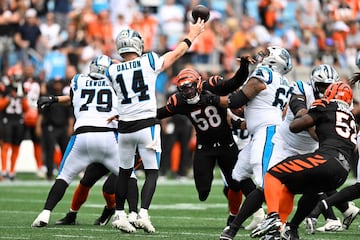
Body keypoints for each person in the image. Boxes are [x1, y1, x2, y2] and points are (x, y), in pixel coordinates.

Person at [106, 19, 205, 234]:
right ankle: (143, 213)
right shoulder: (148, 60)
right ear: (137, 45)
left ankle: (120, 214)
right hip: (146, 124)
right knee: (152, 172)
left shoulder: (111, 71)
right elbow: (177, 53)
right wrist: (193, 33)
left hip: (124, 126)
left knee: (124, 172)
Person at [157, 59, 258, 227]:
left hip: (227, 145)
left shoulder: (212, 86)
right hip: (204, 148)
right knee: (203, 192)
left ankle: (235, 216)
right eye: (183, 89)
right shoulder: (179, 102)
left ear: (198, 83)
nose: (188, 92)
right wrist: (131, 117)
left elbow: (236, 82)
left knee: (236, 183)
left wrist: (244, 66)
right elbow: (159, 113)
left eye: (190, 87)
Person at [250, 81, 357, 240]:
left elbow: (295, 126)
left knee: (273, 174)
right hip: (343, 172)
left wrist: (305, 111)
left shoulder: (325, 105)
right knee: (303, 190)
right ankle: (289, 230)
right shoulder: (351, 118)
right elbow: (353, 148)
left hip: (327, 159)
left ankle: (273, 217)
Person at [31, 55, 119, 227]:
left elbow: (74, 98)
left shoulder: (79, 80)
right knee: (126, 177)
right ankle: (131, 215)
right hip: (111, 136)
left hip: (84, 134)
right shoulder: (117, 82)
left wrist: (53, 99)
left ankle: (45, 213)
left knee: (64, 177)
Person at [218, 46, 293, 240]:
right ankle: (236, 226)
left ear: (275, 61)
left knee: (265, 180)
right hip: (263, 130)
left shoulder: (265, 73)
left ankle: (276, 221)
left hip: (267, 132)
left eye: (268, 54)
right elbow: (272, 112)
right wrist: (238, 121)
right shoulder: (283, 81)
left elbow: (238, 99)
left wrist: (211, 99)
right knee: (238, 174)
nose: (263, 55)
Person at [305, 72, 360, 232]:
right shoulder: (344, 110)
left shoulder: (326, 107)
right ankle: (334, 212)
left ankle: (331, 212)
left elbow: (295, 126)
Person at [55, 150, 142, 226]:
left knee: (109, 189)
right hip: (110, 150)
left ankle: (133, 214)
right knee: (86, 180)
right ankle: (72, 214)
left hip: (130, 152)